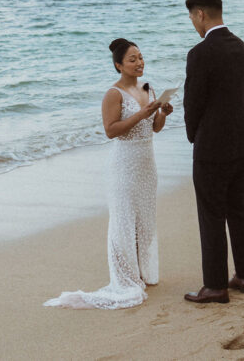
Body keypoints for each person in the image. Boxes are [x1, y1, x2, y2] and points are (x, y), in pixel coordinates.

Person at [44, 38, 174, 309]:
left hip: (147, 164)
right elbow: (111, 130)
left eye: (140, 57)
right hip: (124, 165)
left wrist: (162, 113)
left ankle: (144, 272)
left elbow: (155, 128)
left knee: (145, 219)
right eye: (132, 59)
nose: (139, 63)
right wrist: (142, 114)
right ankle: (125, 278)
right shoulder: (113, 94)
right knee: (123, 220)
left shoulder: (148, 88)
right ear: (118, 65)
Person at [182, 0, 244, 304]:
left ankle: (215, 285)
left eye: (192, 17)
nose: (193, 24)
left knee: (211, 214)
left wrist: (193, 135)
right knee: (239, 209)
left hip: (212, 146)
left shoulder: (200, 53)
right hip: (241, 140)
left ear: (200, 14)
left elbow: (193, 103)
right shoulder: (240, 46)